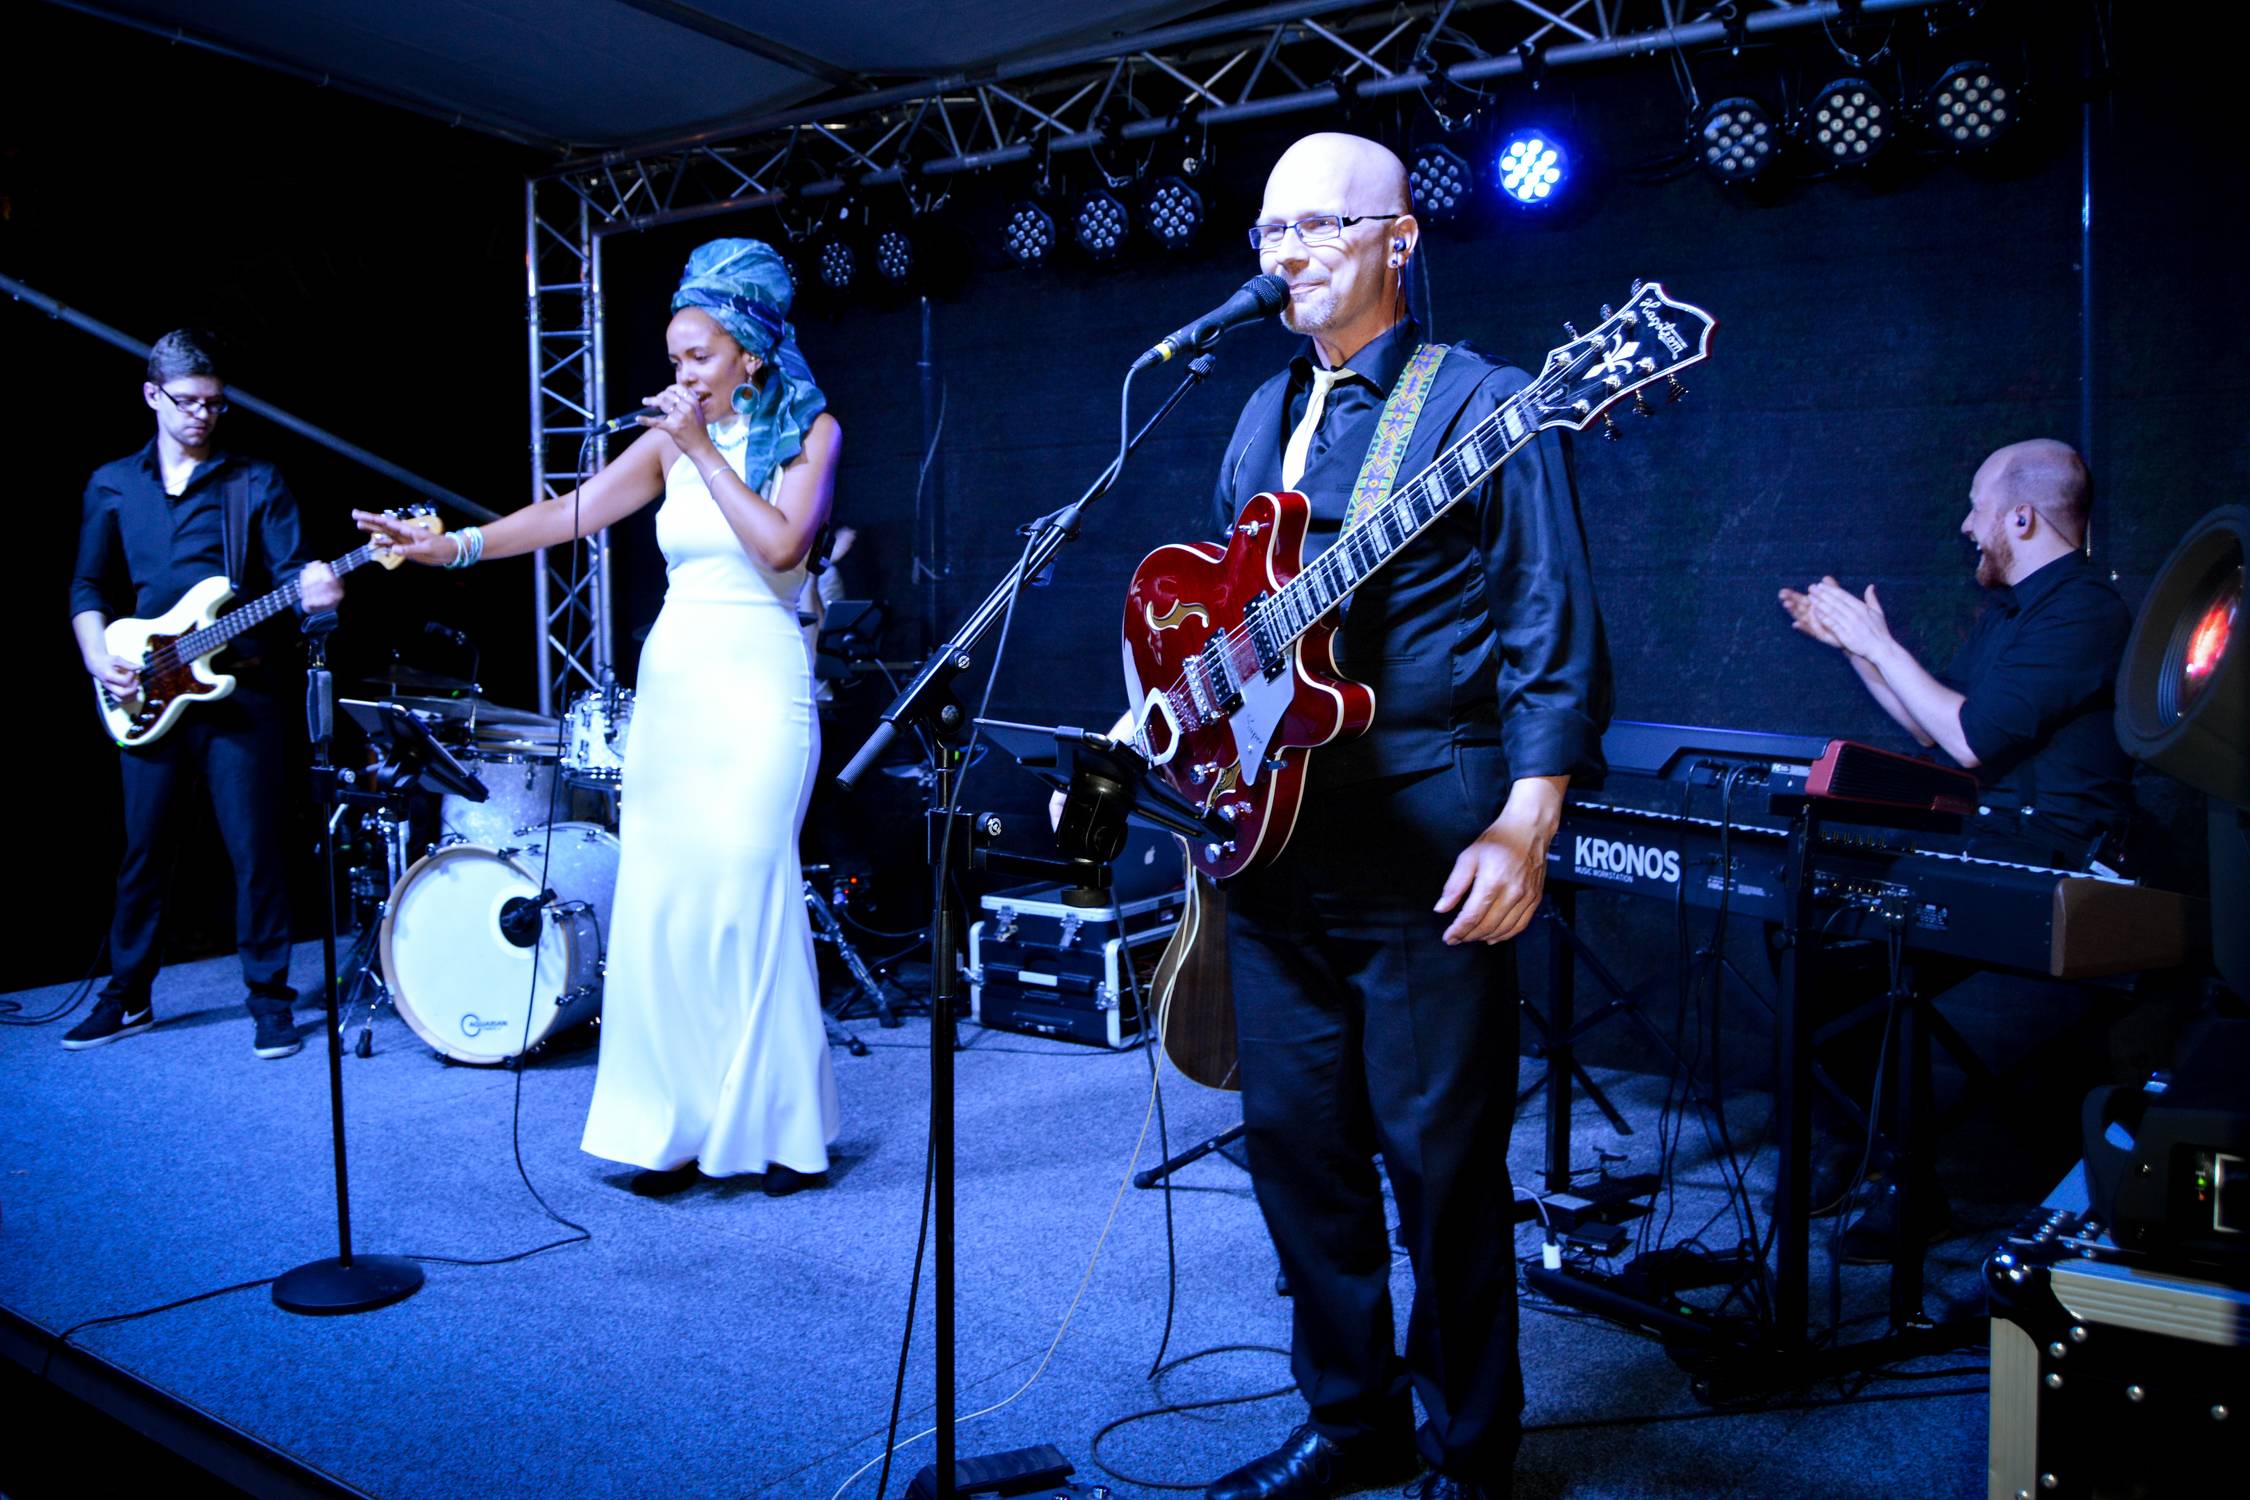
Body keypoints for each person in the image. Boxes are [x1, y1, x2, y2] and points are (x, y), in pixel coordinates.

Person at [1189, 133, 1611, 1500]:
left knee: (1440, 1166)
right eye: (1270, 231)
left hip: (1428, 831)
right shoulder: (1259, 412)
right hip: (1276, 844)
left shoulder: (1481, 402)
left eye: (1320, 224)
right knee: (1295, 1151)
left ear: (1399, 240)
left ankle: (1470, 1453)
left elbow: (1550, 625)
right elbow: (1231, 619)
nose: (1290, 252)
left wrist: (1526, 823)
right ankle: (1349, 1421)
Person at [356, 238, 842, 1196]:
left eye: (699, 356)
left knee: (747, 894)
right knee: (665, 903)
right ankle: (671, 1130)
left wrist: (702, 452)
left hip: (759, 687)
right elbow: (568, 513)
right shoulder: (667, 442)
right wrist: (448, 548)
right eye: (674, 359)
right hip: (678, 687)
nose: (682, 375)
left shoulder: (810, 432)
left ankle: (776, 1131)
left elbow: (784, 549)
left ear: (749, 350)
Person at [68, 329, 344, 1059]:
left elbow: (293, 579)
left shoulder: (255, 480)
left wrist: (319, 595)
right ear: (152, 395)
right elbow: (88, 585)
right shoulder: (112, 483)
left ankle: (270, 999)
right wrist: (98, 657)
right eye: (188, 402)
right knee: (143, 851)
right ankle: (127, 996)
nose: (202, 416)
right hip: (144, 685)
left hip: (241, 691)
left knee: (257, 851)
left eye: (215, 404)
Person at [1780, 438, 2134, 869]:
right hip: (1989, 842)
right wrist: (1855, 648)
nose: (1967, 526)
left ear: (2022, 518)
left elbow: (1967, 741)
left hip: (2049, 858)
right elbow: (1929, 726)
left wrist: (1880, 645)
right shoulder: (2008, 612)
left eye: (1977, 508)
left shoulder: (2082, 610)